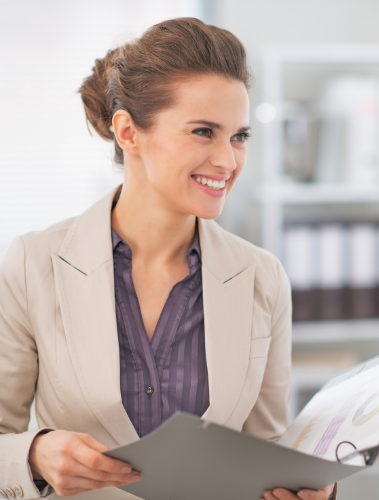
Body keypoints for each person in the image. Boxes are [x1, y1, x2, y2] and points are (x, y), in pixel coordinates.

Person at [0, 18, 336, 500]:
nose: (228, 161)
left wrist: (308, 489)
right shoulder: (34, 264)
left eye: (239, 136)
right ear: (128, 132)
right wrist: (33, 454)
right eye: (204, 131)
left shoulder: (262, 277)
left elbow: (267, 448)